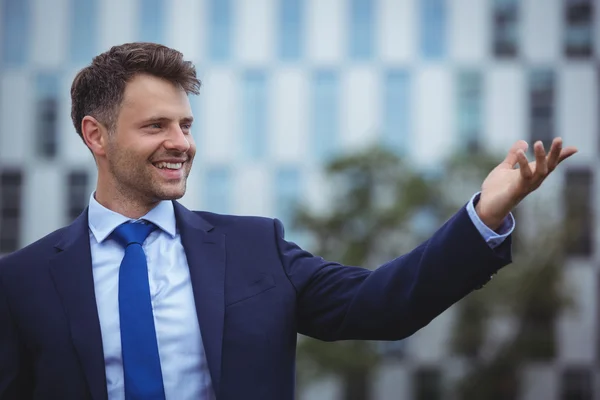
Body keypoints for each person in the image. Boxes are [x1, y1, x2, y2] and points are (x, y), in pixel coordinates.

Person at [0, 42, 577, 400]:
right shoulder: (20, 281)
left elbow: (388, 303)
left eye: (187, 125)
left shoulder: (256, 247)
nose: (182, 144)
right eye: (156, 127)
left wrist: (485, 213)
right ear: (95, 136)